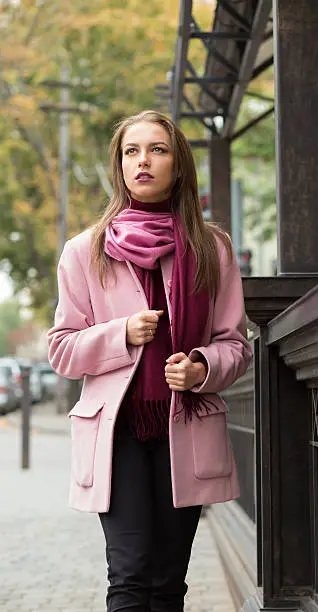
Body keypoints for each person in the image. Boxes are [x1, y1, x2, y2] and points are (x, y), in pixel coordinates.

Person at [47, 110, 252, 612]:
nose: (143, 161)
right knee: (130, 575)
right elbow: (62, 349)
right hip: (116, 436)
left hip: (184, 427)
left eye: (157, 150)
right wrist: (121, 334)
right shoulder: (84, 251)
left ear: (178, 165)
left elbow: (235, 343)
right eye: (131, 151)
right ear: (119, 166)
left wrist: (203, 367)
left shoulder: (212, 248)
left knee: (167, 582)